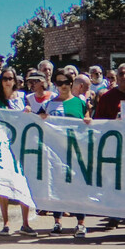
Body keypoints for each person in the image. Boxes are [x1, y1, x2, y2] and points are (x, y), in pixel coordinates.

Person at [42, 69, 91, 238]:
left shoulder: (80, 102)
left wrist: (88, 121)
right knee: (57, 186)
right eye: (59, 83)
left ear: (71, 83)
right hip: (56, 152)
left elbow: (88, 119)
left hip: (76, 151)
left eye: (65, 82)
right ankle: (57, 221)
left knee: (79, 187)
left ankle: (81, 223)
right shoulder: (50, 104)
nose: (62, 86)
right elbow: (37, 120)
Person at [0, 67, 35, 236]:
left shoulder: (22, 98)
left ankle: (26, 223)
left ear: (15, 81)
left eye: (10, 78)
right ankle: (5, 223)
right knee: (3, 181)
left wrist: (28, 111)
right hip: (2, 144)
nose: (8, 81)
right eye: (5, 78)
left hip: (21, 143)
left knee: (23, 180)